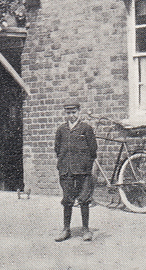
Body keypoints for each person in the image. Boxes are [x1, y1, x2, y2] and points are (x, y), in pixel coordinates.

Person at [54, 102, 97, 242]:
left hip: (82, 171)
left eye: (74, 113)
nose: (71, 116)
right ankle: (66, 229)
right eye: (68, 113)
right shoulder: (61, 130)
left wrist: (86, 166)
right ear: (65, 114)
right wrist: (62, 163)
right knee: (67, 199)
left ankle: (86, 229)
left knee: (84, 199)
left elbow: (93, 150)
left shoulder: (86, 129)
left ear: (79, 112)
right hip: (66, 170)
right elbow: (57, 149)